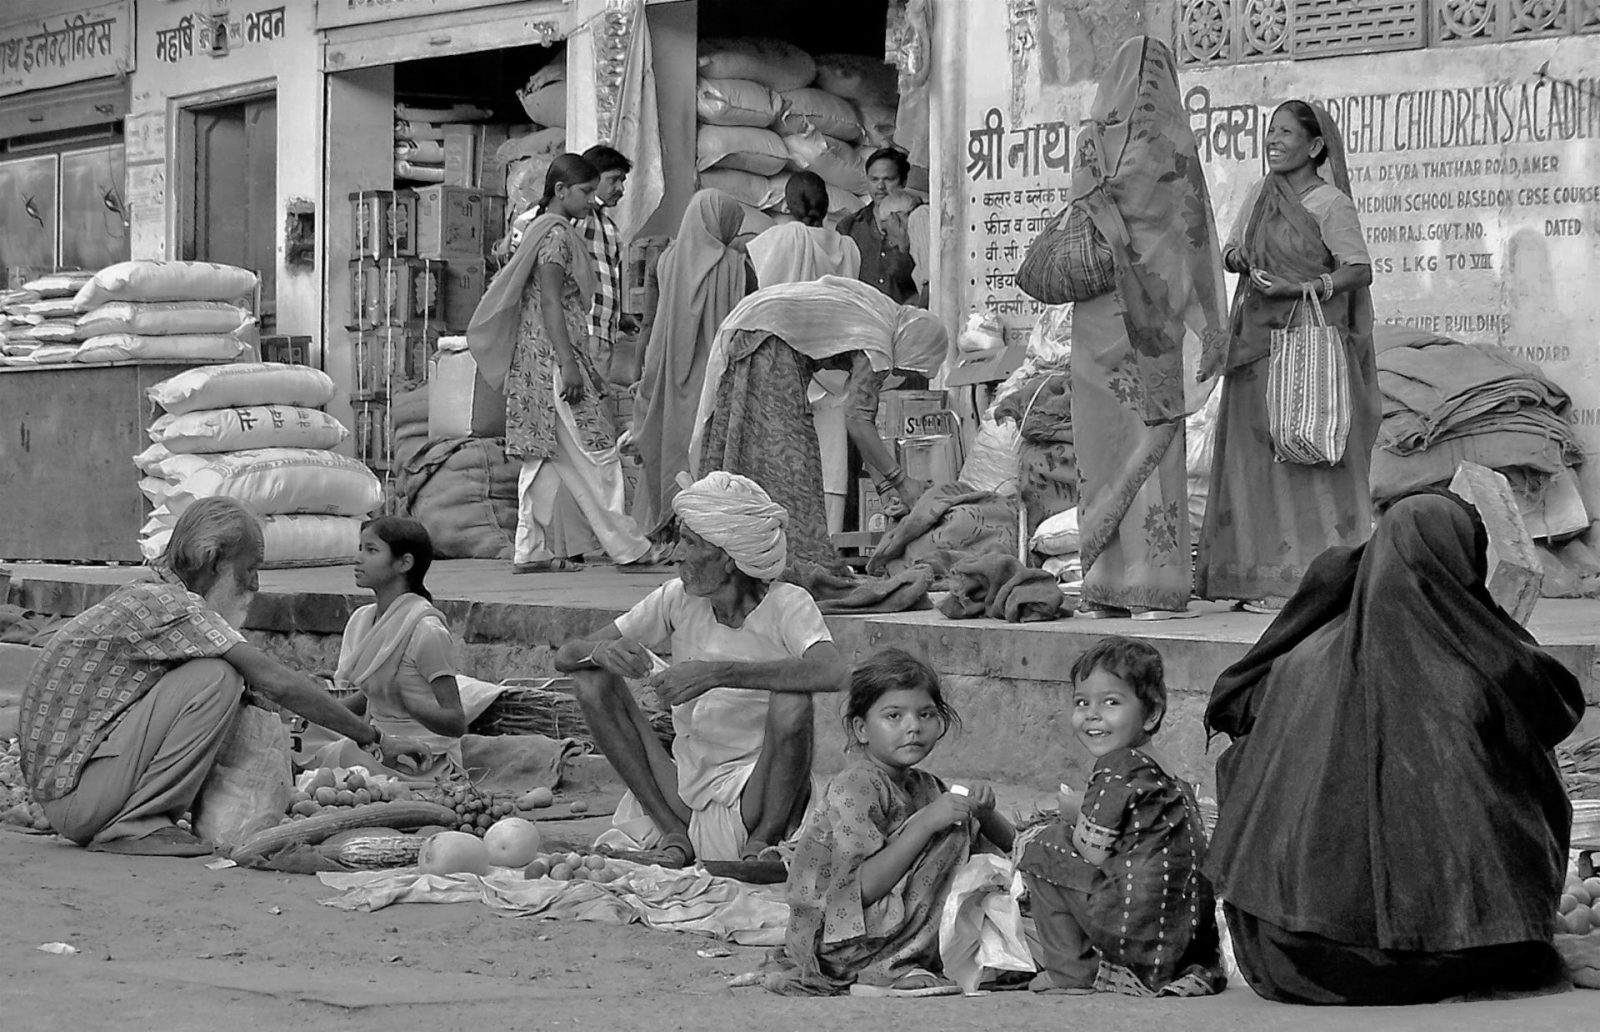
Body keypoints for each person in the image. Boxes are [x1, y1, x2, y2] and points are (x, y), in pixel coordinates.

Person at [1204, 491, 1582, 1005]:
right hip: (1456, 954)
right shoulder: (1481, 672)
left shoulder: (1300, 661)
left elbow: (1241, 739)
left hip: (1288, 955)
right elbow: (1548, 730)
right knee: (1527, 771)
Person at [16, 498, 428, 857]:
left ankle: (142, 815)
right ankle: (133, 825)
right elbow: (277, 682)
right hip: (78, 799)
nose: (255, 584)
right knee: (218, 677)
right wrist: (375, 741)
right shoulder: (169, 605)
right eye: (249, 568)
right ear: (214, 560)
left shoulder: (157, 597)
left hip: (71, 794)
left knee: (230, 680)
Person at [554, 471, 848, 866]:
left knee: (792, 702)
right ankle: (674, 835)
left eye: (690, 543)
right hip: (684, 790)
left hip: (755, 793)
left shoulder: (787, 604)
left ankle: (762, 843)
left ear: (726, 559)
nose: (677, 554)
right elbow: (567, 655)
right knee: (590, 680)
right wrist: (603, 652)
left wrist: (717, 674)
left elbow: (832, 672)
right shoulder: (677, 599)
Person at [1061, 37, 1229, 620]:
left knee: (1105, 448)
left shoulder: (1090, 144)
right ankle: (1152, 584)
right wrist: (1208, 325)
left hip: (1098, 314)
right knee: (1148, 445)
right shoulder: (1174, 145)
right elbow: (1193, 240)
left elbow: (1084, 214)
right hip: (1155, 318)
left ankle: (1106, 585)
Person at [1197, 99, 1379, 610]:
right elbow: (1232, 249)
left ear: (1315, 146)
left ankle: (1318, 575)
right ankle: (1255, 577)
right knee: (1255, 461)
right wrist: (1244, 260)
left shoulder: (1330, 204)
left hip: (1308, 350)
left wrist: (1305, 286)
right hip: (1257, 346)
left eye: (1284, 133)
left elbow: (1358, 269)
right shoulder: (1261, 192)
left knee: (1310, 455)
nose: (1273, 141)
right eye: (1269, 132)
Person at [765, 648, 1014, 997]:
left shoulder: (926, 785)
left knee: (963, 836)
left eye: (925, 714)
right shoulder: (857, 785)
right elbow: (859, 888)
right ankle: (886, 970)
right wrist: (925, 824)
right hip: (842, 941)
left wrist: (985, 813)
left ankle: (931, 954)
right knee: (950, 834)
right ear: (861, 729)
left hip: (884, 928)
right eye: (894, 716)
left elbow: (1010, 847)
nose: (913, 726)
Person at [467, 153, 656, 574]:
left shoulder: (546, 230)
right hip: (556, 361)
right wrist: (569, 365)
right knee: (599, 452)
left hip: (535, 361)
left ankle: (529, 550)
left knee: (542, 460)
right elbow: (552, 300)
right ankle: (629, 547)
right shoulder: (554, 237)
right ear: (561, 191)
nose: (592, 200)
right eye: (586, 192)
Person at [688, 276, 948, 569]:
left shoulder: (884, 317)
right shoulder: (879, 340)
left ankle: (746, 558)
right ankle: (788, 563)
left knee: (757, 457)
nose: (896, 373)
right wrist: (902, 482)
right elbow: (859, 421)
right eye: (904, 367)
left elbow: (861, 422)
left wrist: (885, 488)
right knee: (787, 464)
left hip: (756, 332)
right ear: (912, 345)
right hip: (766, 343)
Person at [1017, 636, 1225, 998]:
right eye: (1082, 703)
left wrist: (1073, 815)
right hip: (1184, 934)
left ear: (1152, 714)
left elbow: (1092, 850)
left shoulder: (1117, 766)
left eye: (1111, 702)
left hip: (1139, 927)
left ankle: (1070, 971)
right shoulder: (1164, 770)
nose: (1092, 715)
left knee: (1044, 847)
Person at [630, 189, 752, 538]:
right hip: (716, 379)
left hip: (668, 373)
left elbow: (649, 323)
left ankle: (667, 531)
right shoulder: (737, 266)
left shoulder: (665, 262)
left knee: (668, 443)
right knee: (709, 452)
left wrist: (643, 371)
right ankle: (705, 531)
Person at [747, 173, 864, 536]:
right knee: (831, 455)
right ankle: (827, 537)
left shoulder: (779, 239)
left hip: (788, 358)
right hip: (835, 359)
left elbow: (760, 293)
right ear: (827, 203)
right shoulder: (848, 248)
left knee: (782, 452)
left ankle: (783, 535)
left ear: (787, 203)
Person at [310, 517, 466, 780]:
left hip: (421, 759)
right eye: (359, 548)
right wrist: (315, 709)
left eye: (371, 550)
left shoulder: (426, 630)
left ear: (404, 563)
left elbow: (456, 722)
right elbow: (370, 697)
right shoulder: (361, 620)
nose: (358, 559)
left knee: (334, 757)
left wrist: (409, 703)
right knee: (299, 736)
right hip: (377, 743)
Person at [578, 145, 639, 383]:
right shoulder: (579, 218)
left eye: (622, 181)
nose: (620, 188)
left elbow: (607, 277)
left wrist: (621, 314)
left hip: (603, 327)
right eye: (613, 180)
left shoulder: (607, 226)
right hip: (586, 326)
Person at [837, 148, 921, 304]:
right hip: (865, 319)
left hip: (908, 317)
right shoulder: (849, 227)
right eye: (874, 179)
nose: (880, 186)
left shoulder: (918, 222)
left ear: (903, 182)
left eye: (888, 179)